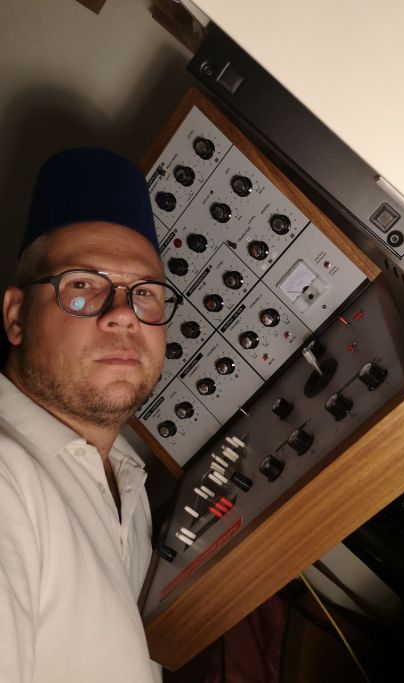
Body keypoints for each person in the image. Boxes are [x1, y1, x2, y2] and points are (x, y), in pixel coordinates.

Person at [0, 148, 178, 682]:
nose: (123, 315)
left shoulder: (124, 469)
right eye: (81, 285)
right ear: (16, 316)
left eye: (145, 292)